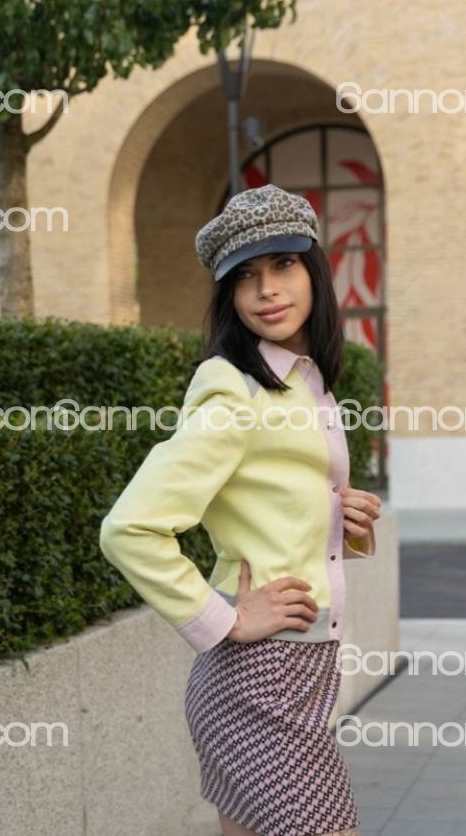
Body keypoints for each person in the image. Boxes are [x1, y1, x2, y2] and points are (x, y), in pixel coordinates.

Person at [99, 184, 382, 836]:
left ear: (313, 270)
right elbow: (129, 528)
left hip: (291, 673)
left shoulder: (305, 381)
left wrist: (344, 521)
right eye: (245, 276)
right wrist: (223, 618)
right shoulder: (234, 390)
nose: (267, 290)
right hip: (260, 678)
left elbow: (264, 501)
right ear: (229, 294)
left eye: (283, 264)